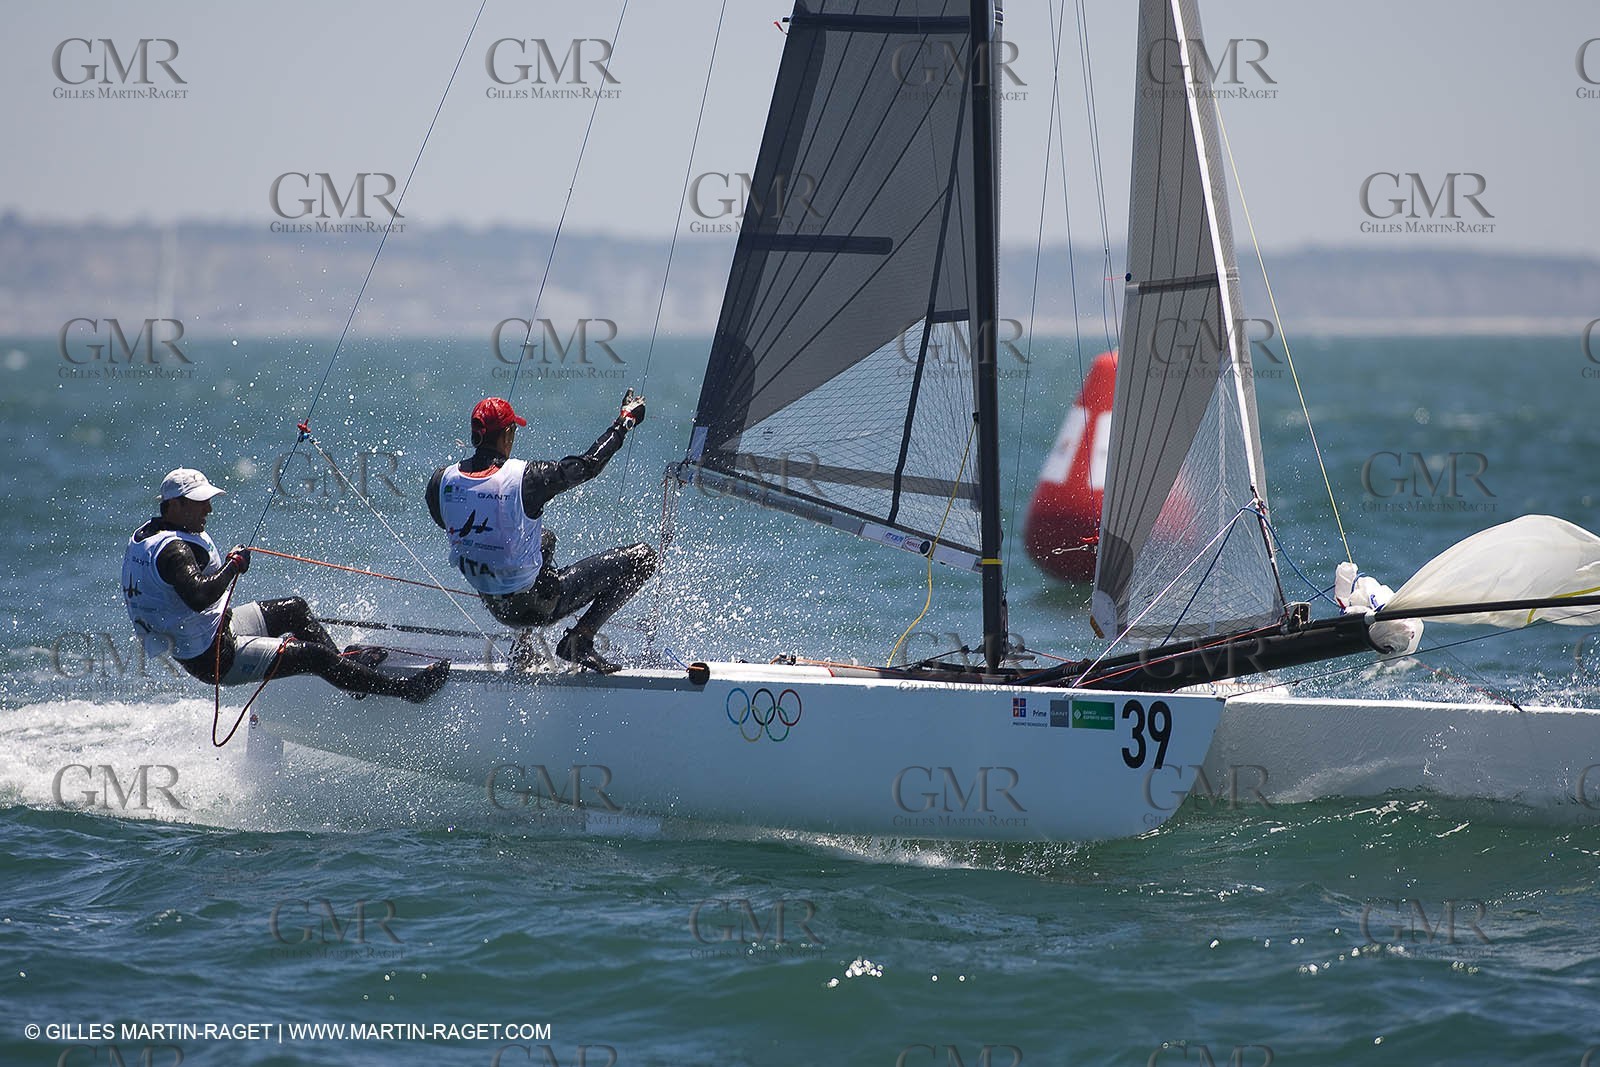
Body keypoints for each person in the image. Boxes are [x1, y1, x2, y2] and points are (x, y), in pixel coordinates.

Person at [122, 468, 450, 702]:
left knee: (295, 609)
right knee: (316, 657)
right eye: (198, 502)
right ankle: (407, 691)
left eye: (207, 499)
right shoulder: (175, 551)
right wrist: (233, 567)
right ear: (174, 505)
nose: (208, 507)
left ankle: (348, 674)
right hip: (216, 655)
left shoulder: (149, 535)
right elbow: (198, 595)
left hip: (216, 629)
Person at [426, 394, 656, 673]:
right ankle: (580, 640)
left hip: (494, 603)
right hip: (536, 604)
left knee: (544, 538)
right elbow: (587, 466)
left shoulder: (441, 480)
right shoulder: (526, 477)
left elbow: (450, 525)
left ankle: (523, 647)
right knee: (643, 558)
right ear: (508, 434)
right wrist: (624, 422)